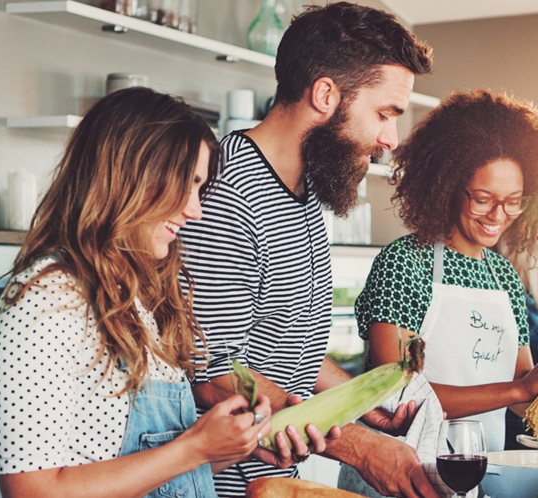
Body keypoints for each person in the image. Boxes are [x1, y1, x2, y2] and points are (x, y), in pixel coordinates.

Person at [178, 3, 438, 497]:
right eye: (384, 113)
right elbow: (210, 376)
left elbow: (286, 343)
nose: (390, 139)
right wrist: (358, 447)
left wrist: (358, 402)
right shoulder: (227, 194)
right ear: (325, 94)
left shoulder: (303, 194)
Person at [0, 87, 294, 497]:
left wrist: (231, 445)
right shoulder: (46, 298)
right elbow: (32, 491)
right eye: (184, 185)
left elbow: (154, 470)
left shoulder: (135, 300)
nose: (195, 209)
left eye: (199, 188)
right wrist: (195, 446)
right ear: (130, 177)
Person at [354, 90, 538, 456]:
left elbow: (522, 402)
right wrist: (520, 389)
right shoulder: (404, 264)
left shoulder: (503, 276)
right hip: (393, 474)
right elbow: (396, 395)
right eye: (483, 198)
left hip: (476, 472)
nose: (498, 216)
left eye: (513, 200)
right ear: (447, 186)